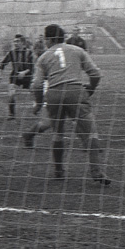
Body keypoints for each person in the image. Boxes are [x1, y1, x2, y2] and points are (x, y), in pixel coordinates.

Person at [28, 24, 109, 185]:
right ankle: (96, 171)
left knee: (58, 133)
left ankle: (59, 170)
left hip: (54, 94)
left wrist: (38, 103)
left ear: (49, 39)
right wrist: (91, 88)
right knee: (91, 132)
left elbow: (36, 85)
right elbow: (96, 74)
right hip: (75, 92)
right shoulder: (77, 50)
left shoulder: (43, 57)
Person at [0, 34, 34, 120]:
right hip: (15, 76)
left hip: (27, 76)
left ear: (23, 43)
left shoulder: (29, 53)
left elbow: (32, 67)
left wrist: (24, 72)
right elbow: (2, 64)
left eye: (17, 41)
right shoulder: (11, 53)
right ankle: (11, 114)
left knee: (35, 93)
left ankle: (39, 108)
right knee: (11, 94)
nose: (15, 43)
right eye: (14, 41)